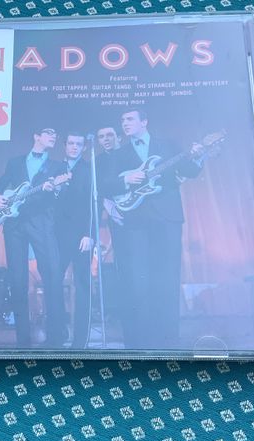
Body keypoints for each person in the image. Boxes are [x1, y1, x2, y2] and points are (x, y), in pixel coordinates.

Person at [101, 110, 204, 349]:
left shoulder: (168, 145)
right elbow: (105, 185)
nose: (124, 123)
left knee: (167, 278)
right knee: (136, 281)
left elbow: (190, 171)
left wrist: (198, 156)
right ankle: (139, 341)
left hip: (167, 219)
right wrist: (126, 180)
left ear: (144, 122)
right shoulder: (118, 154)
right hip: (134, 222)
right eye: (122, 120)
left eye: (130, 119)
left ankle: (168, 339)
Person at [0, 127, 67, 347]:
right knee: (17, 280)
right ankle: (22, 340)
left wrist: (53, 188)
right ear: (36, 136)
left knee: (52, 276)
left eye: (55, 134)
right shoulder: (15, 162)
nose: (54, 136)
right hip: (14, 224)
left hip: (41, 224)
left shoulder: (58, 167)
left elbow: (62, 194)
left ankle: (55, 338)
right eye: (49, 133)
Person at [54, 132, 93, 348]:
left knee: (82, 285)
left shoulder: (89, 169)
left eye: (79, 144)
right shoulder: (54, 168)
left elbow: (92, 204)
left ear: (84, 147)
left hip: (81, 237)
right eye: (71, 143)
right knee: (53, 283)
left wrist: (89, 234)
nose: (75, 147)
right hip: (56, 237)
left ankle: (80, 340)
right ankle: (58, 333)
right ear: (64, 145)